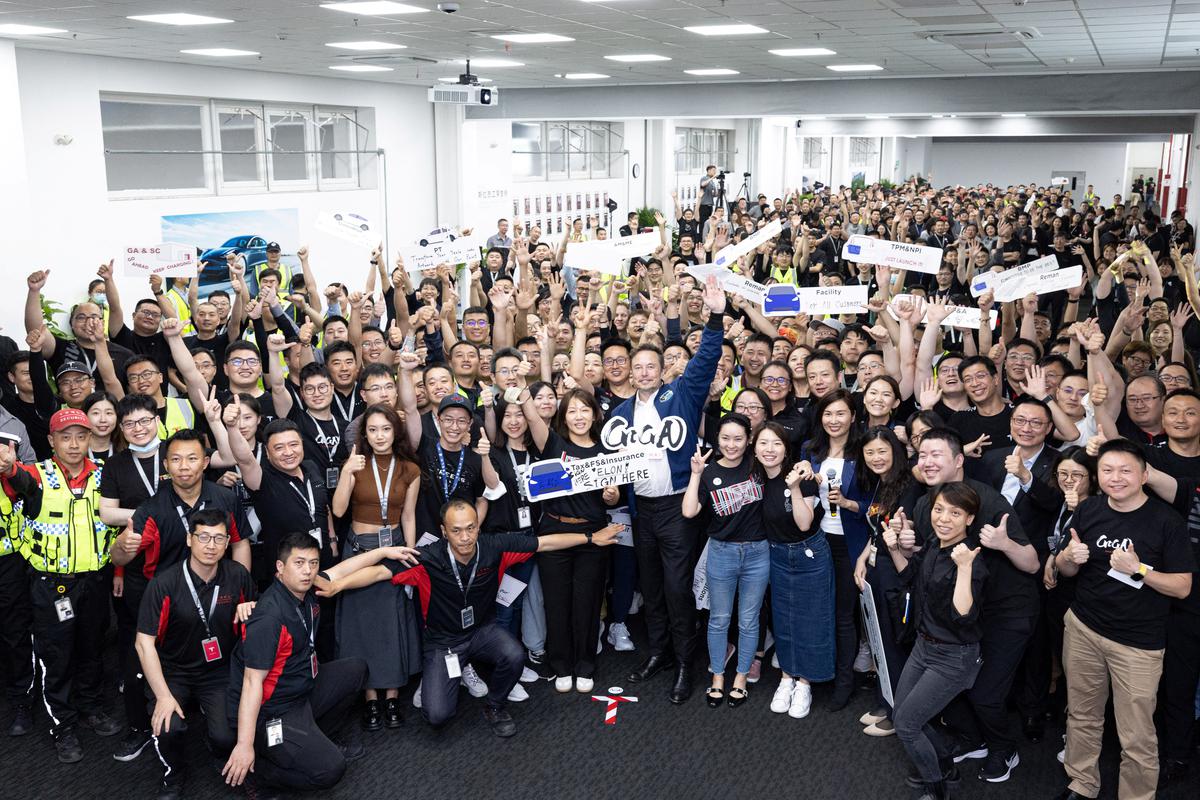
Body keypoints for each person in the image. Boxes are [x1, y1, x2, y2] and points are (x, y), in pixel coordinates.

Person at [316, 499, 620, 737]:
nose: (465, 537)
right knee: (437, 716)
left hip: (481, 632)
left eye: (471, 528)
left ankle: (494, 705)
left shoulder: (494, 546)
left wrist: (592, 537)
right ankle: (453, 673)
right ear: (444, 530)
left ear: (478, 526)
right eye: (457, 530)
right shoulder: (429, 557)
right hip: (443, 642)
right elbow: (378, 572)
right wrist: (338, 584)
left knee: (514, 655)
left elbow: (545, 542)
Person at [1052, 438, 1194, 800]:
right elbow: (1065, 570)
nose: (1116, 478)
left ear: (1145, 475)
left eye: (1126, 470)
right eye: (1107, 470)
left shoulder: (1167, 522)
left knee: (1137, 735)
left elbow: (1182, 587)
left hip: (1138, 643)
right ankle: (1081, 784)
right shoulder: (1089, 510)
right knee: (1082, 716)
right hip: (1084, 628)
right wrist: (1068, 557)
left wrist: (1139, 570)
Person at [616, 274, 726, 705]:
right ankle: (658, 652)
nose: (643, 372)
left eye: (650, 367)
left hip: (678, 510)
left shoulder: (680, 395)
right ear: (629, 372)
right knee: (653, 586)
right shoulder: (620, 412)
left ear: (662, 371)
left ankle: (685, 662)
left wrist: (715, 316)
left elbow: (705, 360)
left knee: (679, 588)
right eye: (637, 367)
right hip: (641, 511)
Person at [1, 408, 122, 762]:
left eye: (80, 436)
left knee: (92, 647)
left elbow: (114, 529)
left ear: (90, 440)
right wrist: (8, 465)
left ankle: (91, 707)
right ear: (51, 441)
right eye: (65, 437)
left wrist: (116, 572)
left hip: (95, 581)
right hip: (51, 586)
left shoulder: (105, 475)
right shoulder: (36, 476)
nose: (73, 444)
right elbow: (15, 477)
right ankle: (63, 724)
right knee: (57, 655)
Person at [221, 531, 368, 798]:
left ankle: (318, 738)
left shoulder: (307, 588)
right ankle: (260, 772)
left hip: (302, 689)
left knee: (356, 669)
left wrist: (386, 552)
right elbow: (252, 683)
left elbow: (342, 570)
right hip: (273, 710)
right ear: (280, 567)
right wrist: (244, 744)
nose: (308, 571)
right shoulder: (269, 618)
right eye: (299, 563)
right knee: (331, 769)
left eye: (313, 563)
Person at [135, 510, 256, 800]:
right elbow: (143, 643)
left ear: (227, 543)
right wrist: (164, 696)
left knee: (227, 736)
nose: (210, 545)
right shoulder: (164, 583)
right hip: (173, 670)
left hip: (218, 671)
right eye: (203, 537)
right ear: (190, 540)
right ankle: (173, 774)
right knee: (168, 727)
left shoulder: (237, 576)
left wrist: (251, 611)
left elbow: (257, 613)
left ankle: (216, 748)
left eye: (218, 538)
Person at [884, 482, 988, 800]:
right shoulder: (933, 543)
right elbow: (909, 577)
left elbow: (963, 614)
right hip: (923, 646)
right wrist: (892, 548)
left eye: (955, 513)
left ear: (969, 519)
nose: (943, 518)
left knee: (906, 724)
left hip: (953, 657)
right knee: (902, 713)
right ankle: (945, 764)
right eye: (939, 509)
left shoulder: (972, 562)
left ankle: (937, 787)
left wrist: (966, 568)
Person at [520, 385, 618, 693]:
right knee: (557, 602)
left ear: (594, 414)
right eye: (572, 410)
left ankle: (585, 665)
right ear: (564, 416)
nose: (579, 416)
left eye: (584, 410)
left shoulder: (606, 452)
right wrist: (524, 388)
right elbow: (534, 419)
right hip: (555, 532)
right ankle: (561, 665)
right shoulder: (553, 444)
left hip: (595, 534)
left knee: (587, 603)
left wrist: (612, 496)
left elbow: (612, 500)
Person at [330, 404, 422, 732]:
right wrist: (346, 473)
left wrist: (411, 557)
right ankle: (370, 698)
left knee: (391, 626)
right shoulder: (355, 464)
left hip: (394, 551)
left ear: (395, 431)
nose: (379, 436)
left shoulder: (410, 468)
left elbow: (409, 515)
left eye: (385, 429)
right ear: (364, 435)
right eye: (372, 430)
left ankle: (393, 694)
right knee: (359, 628)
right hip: (358, 551)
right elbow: (339, 510)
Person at [683, 414, 768, 708]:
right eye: (725, 438)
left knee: (748, 619)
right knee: (719, 620)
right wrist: (695, 474)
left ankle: (741, 678)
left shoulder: (759, 466)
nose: (731, 445)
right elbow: (690, 511)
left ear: (749, 440)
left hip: (758, 553)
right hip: (721, 552)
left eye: (738, 438)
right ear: (717, 439)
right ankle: (718, 677)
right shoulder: (708, 472)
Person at [851, 426, 924, 737]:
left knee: (895, 641)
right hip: (877, 567)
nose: (876, 457)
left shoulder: (909, 485)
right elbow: (877, 529)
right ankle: (886, 698)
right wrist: (861, 558)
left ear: (896, 450)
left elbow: (906, 536)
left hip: (896, 572)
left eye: (882, 451)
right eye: (869, 452)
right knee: (881, 640)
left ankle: (899, 712)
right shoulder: (883, 483)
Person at [752, 422, 828, 719]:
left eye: (776, 444)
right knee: (783, 620)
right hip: (776, 555)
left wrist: (795, 487)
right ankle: (787, 677)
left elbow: (804, 523)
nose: (769, 450)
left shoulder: (801, 476)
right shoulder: (755, 478)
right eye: (763, 443)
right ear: (754, 448)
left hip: (808, 555)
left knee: (810, 620)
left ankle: (805, 683)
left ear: (786, 448)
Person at [798, 389, 862, 710]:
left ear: (852, 416)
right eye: (827, 414)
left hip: (851, 546)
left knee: (843, 616)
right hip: (818, 542)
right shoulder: (810, 450)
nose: (833, 420)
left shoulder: (864, 452)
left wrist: (850, 504)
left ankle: (844, 681)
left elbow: (877, 503)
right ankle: (817, 673)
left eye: (840, 414)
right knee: (818, 612)